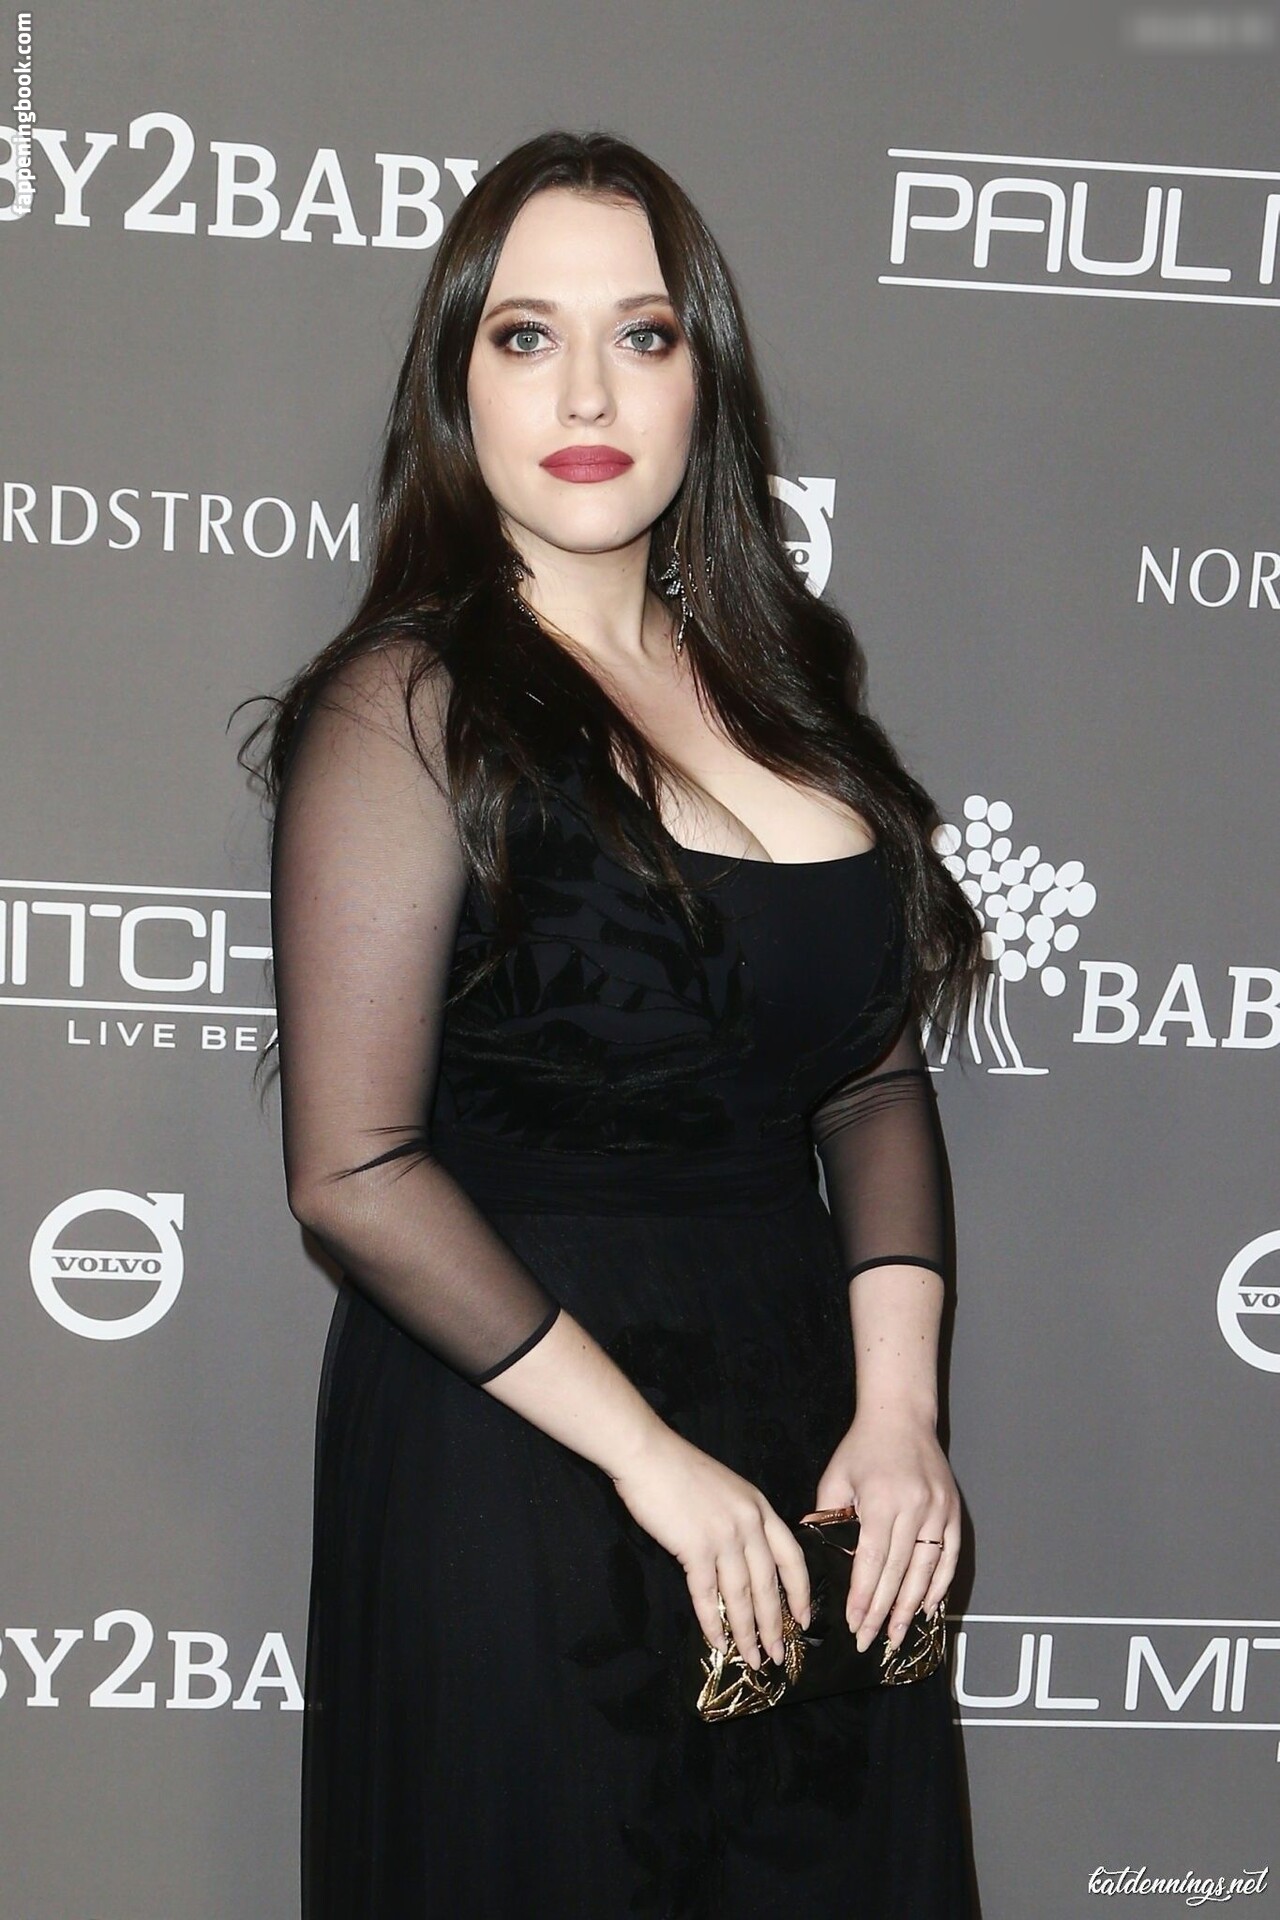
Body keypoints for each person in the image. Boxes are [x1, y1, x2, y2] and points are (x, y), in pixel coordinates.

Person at [241, 128, 985, 1919]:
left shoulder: (787, 689)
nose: (587, 392)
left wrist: (899, 1414)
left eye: (642, 336)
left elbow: (872, 1080)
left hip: (810, 1454)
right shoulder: (407, 703)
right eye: (527, 336)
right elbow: (354, 1172)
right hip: (522, 1457)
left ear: (701, 377)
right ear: (457, 385)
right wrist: (652, 1460)